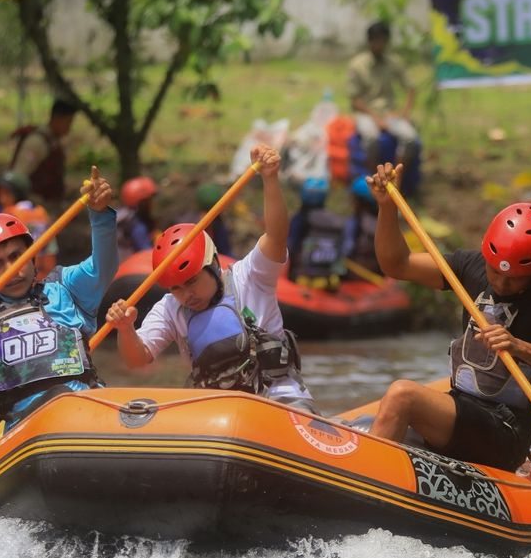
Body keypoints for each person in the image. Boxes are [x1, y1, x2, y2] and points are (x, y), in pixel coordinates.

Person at [365, 163, 531, 472]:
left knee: (402, 395)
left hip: (505, 429)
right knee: (371, 421)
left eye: (516, 278)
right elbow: (396, 264)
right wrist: (387, 208)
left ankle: (364, 488)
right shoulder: (471, 265)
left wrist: (518, 346)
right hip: (461, 408)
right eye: (495, 271)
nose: (502, 283)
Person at [105, 144, 316, 411]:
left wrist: (270, 178)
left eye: (191, 281)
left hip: (277, 400)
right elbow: (138, 359)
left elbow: (275, 236)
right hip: (218, 411)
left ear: (214, 264)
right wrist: (125, 329)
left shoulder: (251, 276)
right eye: (176, 288)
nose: (186, 295)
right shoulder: (170, 308)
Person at [0, 168, 117, 426]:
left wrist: (100, 214)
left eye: (16, 257)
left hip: (84, 412)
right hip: (25, 430)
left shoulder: (64, 287)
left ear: (31, 256)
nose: (12, 271)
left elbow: (103, 266)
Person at [346, 21, 423, 198]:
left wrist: (404, 113)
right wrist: (375, 118)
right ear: (369, 41)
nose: (379, 45)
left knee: (410, 139)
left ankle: (396, 181)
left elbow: (410, 87)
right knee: (371, 139)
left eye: (382, 41)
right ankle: (373, 182)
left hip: (389, 113)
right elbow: (355, 100)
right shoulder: (358, 65)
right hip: (366, 113)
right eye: (376, 41)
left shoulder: (393, 62)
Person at [9, 97, 79, 203]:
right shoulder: (37, 142)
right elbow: (18, 177)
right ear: (57, 118)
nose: (69, 128)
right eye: (68, 122)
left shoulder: (53, 141)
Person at [286, 176, 349, 288]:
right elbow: (343, 250)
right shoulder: (337, 221)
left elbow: (290, 247)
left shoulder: (299, 219)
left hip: (301, 277)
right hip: (329, 278)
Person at [116, 175, 158, 254]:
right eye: (149, 200)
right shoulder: (136, 225)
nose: (152, 203)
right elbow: (147, 253)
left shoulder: (121, 217)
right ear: (142, 203)